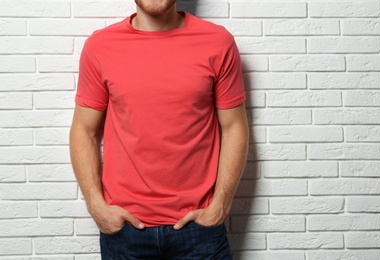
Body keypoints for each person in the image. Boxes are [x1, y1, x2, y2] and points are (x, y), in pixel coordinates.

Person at [69, 0, 249, 259]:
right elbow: (83, 130)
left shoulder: (217, 42)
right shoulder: (101, 46)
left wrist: (221, 204)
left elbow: (234, 127)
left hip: (200, 230)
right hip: (126, 231)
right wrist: (95, 205)